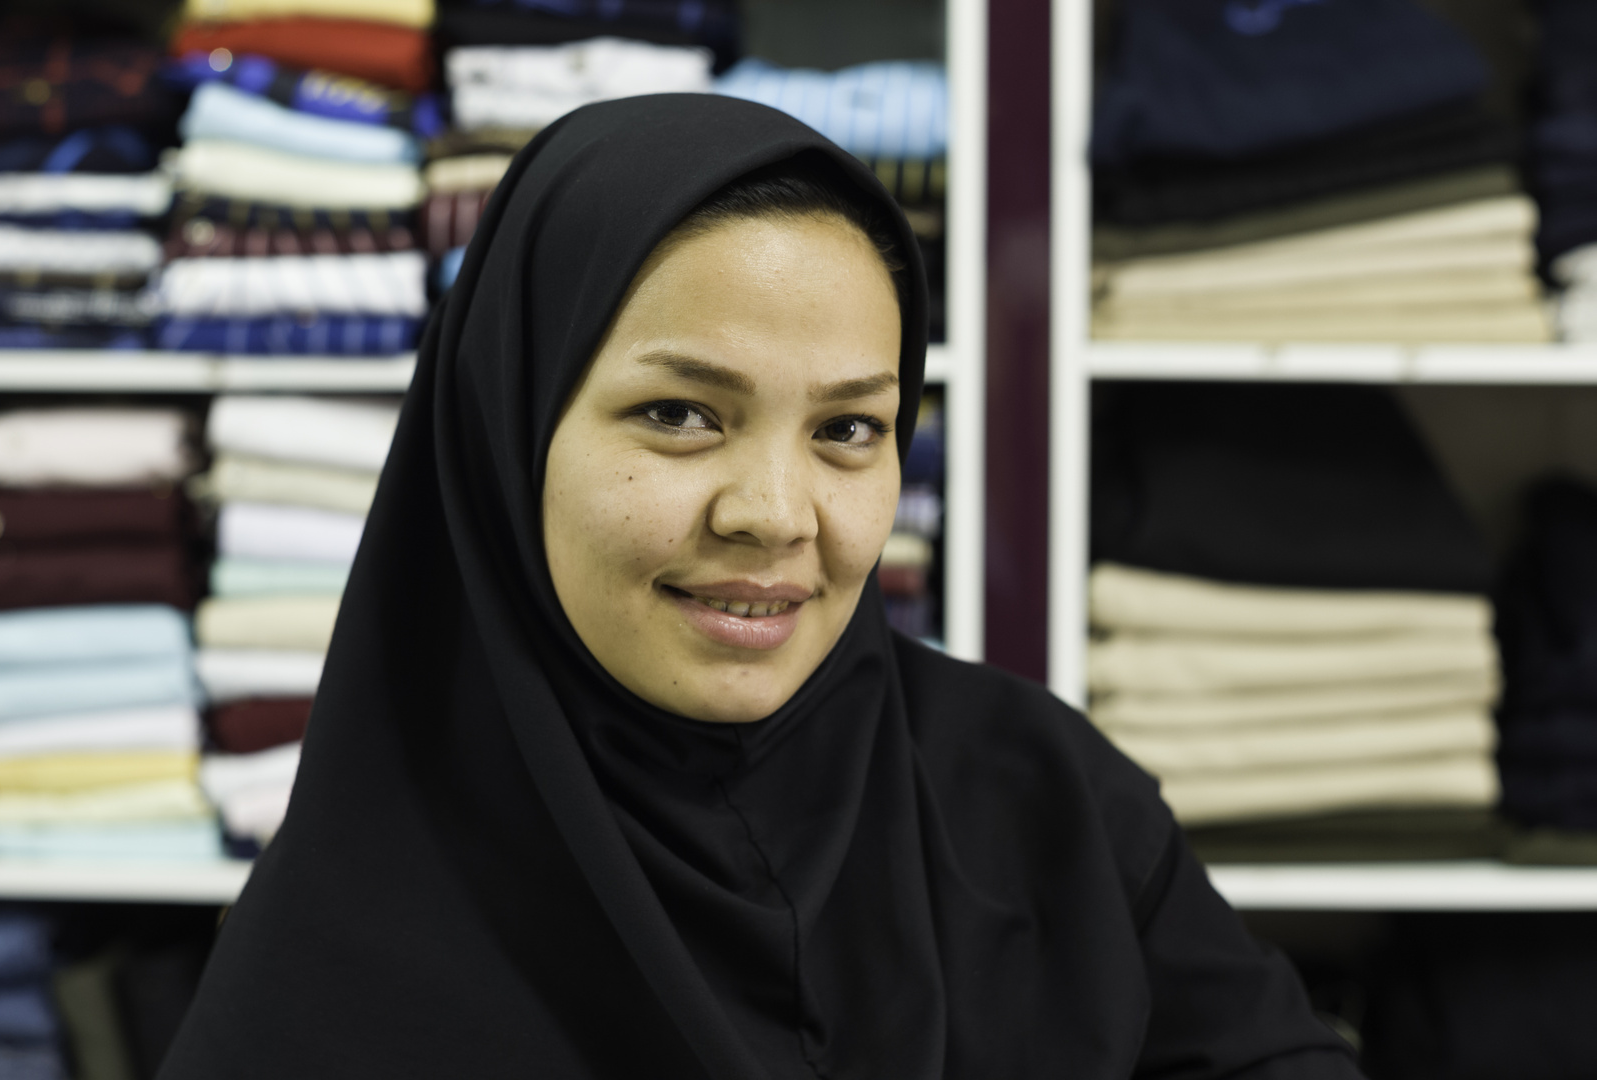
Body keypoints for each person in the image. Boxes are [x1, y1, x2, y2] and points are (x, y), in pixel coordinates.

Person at [159, 95, 1362, 1079]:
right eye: (679, 415)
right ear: (507, 427)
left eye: (848, 429)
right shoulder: (340, 955)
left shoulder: (1038, 800)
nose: (776, 515)